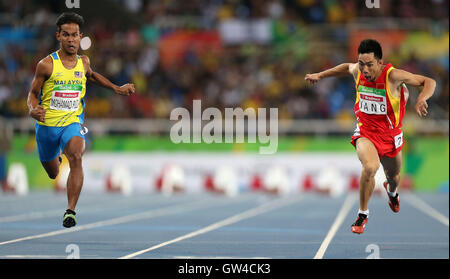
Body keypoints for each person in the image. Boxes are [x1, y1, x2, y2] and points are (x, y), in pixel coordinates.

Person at [305, 39, 436, 234]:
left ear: (380, 62)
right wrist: (320, 75)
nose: (364, 69)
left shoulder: (393, 76)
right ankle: (363, 214)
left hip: (390, 136)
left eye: (369, 64)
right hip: (366, 132)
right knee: (370, 167)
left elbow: (429, 81)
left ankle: (392, 192)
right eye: (361, 63)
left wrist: (422, 98)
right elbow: (345, 68)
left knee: (394, 177)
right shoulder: (357, 70)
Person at [27, 12, 135, 228]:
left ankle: (70, 211)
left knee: (76, 155)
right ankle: (55, 158)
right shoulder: (46, 64)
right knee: (53, 172)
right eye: (66, 35)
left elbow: (92, 75)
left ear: (80, 36)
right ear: (58, 36)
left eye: (74, 35)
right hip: (47, 126)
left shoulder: (83, 61)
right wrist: (32, 109)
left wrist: (116, 88)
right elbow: (32, 93)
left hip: (72, 122)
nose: (71, 39)